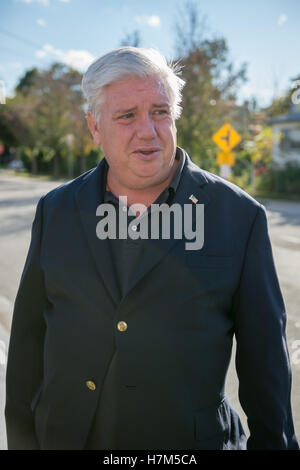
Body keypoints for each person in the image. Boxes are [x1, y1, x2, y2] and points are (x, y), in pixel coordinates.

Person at [5, 47, 299, 450]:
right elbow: (26, 346)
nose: (148, 130)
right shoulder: (55, 210)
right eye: (127, 116)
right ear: (94, 126)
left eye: (160, 112)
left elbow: (266, 367)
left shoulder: (238, 216)